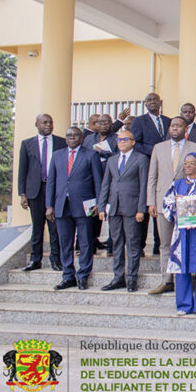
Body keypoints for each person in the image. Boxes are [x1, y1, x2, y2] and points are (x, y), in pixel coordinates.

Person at [146, 116, 196, 295]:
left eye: (179, 126)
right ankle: (166, 280)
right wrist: (151, 202)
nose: (175, 128)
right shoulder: (159, 148)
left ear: (186, 129)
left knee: (188, 241)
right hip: (163, 203)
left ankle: (188, 277)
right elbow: (152, 176)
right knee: (165, 243)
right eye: (172, 126)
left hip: (188, 205)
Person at [46, 127, 102, 291]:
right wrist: (49, 205)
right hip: (62, 206)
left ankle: (83, 276)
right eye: (69, 135)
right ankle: (68, 276)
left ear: (81, 138)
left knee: (85, 243)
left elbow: (98, 181)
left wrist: (99, 203)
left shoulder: (91, 155)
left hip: (84, 205)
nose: (72, 138)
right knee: (65, 243)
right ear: (65, 138)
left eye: (76, 135)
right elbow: (51, 182)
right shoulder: (57, 155)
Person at [162, 153, 196, 316]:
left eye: (192, 163)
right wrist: (176, 206)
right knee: (181, 267)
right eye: (185, 163)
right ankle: (184, 305)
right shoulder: (176, 185)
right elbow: (166, 204)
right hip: (181, 232)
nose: (188, 166)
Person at [97, 131, 149, 292]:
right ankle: (118, 277)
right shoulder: (112, 160)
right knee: (116, 244)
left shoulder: (141, 159)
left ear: (133, 142)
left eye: (125, 139)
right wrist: (101, 207)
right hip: (114, 207)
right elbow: (106, 184)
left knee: (132, 244)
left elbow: (144, 185)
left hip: (132, 208)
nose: (121, 142)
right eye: (119, 140)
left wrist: (141, 209)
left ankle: (132, 278)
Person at [18, 114, 66, 272]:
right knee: (37, 227)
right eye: (44, 122)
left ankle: (56, 259)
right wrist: (22, 193)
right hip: (35, 191)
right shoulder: (27, 144)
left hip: (55, 190)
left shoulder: (61, 142)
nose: (48, 125)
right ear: (37, 124)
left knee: (55, 227)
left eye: (50, 122)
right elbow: (22, 170)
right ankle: (35, 260)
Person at [130, 92, 170, 256]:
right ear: (145, 104)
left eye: (155, 99)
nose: (152, 102)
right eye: (149, 100)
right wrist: (155, 150)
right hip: (147, 167)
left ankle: (159, 245)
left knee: (162, 207)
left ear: (160, 103)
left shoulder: (167, 121)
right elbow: (136, 144)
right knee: (147, 206)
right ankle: (140, 246)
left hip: (165, 168)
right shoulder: (139, 121)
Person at [83, 113, 117, 254]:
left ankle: (111, 246)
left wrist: (102, 152)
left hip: (111, 181)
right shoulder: (88, 139)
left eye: (106, 122)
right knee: (91, 214)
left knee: (112, 214)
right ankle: (90, 244)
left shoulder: (117, 139)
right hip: (91, 182)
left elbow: (119, 157)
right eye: (100, 122)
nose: (102, 125)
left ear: (111, 124)